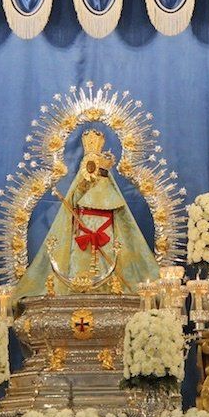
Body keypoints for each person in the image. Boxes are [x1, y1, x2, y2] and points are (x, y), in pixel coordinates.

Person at [17, 128, 160, 298]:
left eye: (100, 173)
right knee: (78, 266)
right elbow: (69, 213)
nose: (96, 179)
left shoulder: (109, 189)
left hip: (107, 233)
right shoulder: (79, 188)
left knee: (112, 268)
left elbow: (121, 217)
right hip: (81, 235)